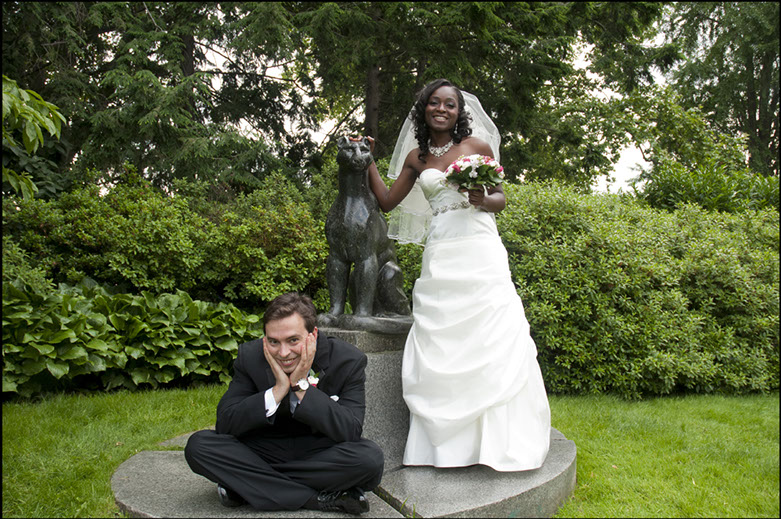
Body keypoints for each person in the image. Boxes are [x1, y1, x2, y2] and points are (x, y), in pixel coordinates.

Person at [365, 78, 551, 471]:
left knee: (488, 334)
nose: (442, 109)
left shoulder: (477, 149)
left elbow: (500, 198)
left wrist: (485, 199)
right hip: (441, 251)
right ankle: (445, 448)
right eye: (435, 103)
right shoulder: (417, 158)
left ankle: (494, 444)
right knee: (443, 336)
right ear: (425, 109)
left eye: (450, 104)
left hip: (479, 246)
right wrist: (366, 161)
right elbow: (386, 201)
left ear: (459, 112)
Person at [184, 292, 383, 514]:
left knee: (370, 460)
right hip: (262, 448)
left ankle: (245, 484)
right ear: (265, 338)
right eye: (273, 342)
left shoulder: (348, 361)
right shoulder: (250, 356)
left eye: (293, 340)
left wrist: (299, 385)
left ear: (313, 335)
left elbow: (350, 430)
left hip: (320, 453)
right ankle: (317, 499)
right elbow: (226, 424)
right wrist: (277, 390)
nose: (283, 353)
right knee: (199, 446)